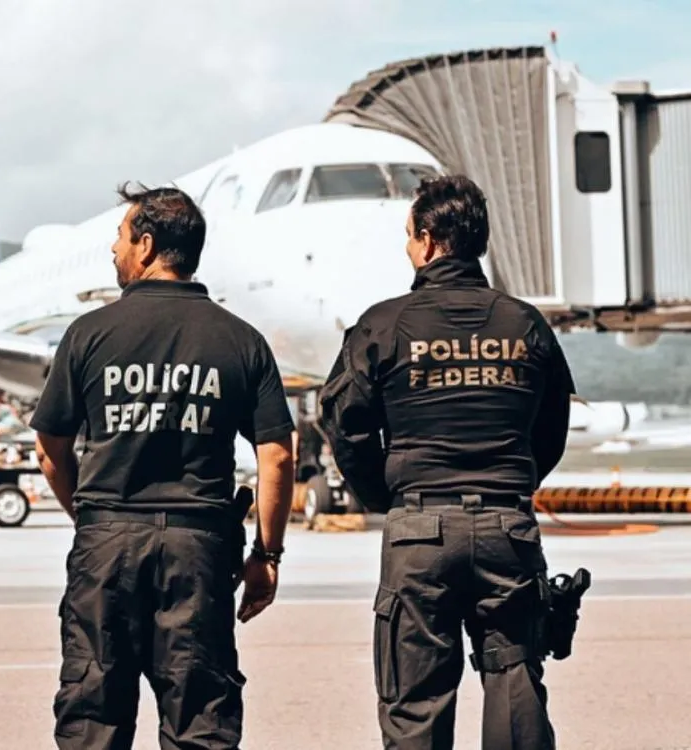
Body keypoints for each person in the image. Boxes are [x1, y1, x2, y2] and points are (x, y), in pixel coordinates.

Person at [30, 182, 296, 750]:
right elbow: (276, 453)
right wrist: (266, 556)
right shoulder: (241, 340)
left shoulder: (88, 335)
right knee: (200, 721)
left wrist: (91, 516)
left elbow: (50, 451)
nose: (114, 250)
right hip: (198, 549)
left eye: (121, 238)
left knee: (93, 716)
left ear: (146, 245)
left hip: (107, 544)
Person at [318, 174, 575, 750]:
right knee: (515, 688)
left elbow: (344, 424)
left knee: (416, 701)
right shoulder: (524, 323)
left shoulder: (383, 325)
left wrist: (384, 498)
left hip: (419, 533)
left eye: (410, 236)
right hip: (508, 528)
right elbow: (552, 428)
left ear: (429, 240)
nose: (408, 247)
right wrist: (511, 479)